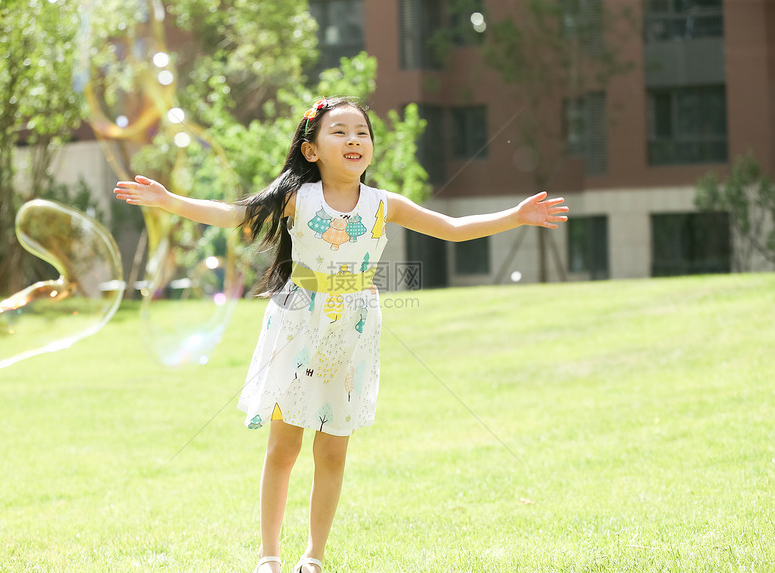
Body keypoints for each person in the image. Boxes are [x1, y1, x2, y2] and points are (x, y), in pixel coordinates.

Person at [114, 96, 568, 573]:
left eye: (362, 133)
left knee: (332, 448)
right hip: (297, 321)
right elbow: (234, 214)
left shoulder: (383, 204)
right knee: (283, 447)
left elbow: (452, 228)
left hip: (351, 327)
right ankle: (269, 556)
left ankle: (313, 557)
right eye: (340, 132)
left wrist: (513, 217)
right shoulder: (297, 197)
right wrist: (170, 201)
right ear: (312, 151)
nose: (354, 139)